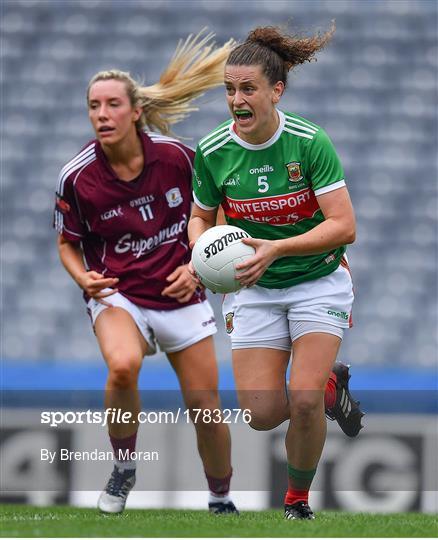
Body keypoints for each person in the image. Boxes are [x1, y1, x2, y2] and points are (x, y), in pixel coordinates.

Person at [53, 30, 239, 515]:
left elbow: (215, 217)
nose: (101, 114)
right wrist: (82, 278)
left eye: (112, 104)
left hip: (180, 290)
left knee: (205, 406)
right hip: (119, 294)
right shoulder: (77, 177)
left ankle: (220, 498)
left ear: (135, 111)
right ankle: (124, 469)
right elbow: (66, 243)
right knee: (121, 366)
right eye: (94, 106)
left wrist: (197, 270)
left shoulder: (177, 157)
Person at [188, 24, 364, 520]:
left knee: (303, 401)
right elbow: (200, 217)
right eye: (229, 89)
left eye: (247, 89)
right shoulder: (212, 151)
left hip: (317, 279)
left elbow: (344, 225)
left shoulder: (310, 142)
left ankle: (297, 502)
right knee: (263, 414)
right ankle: (331, 384)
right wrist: (198, 254)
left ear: (275, 90)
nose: (235, 99)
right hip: (254, 287)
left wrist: (277, 248)